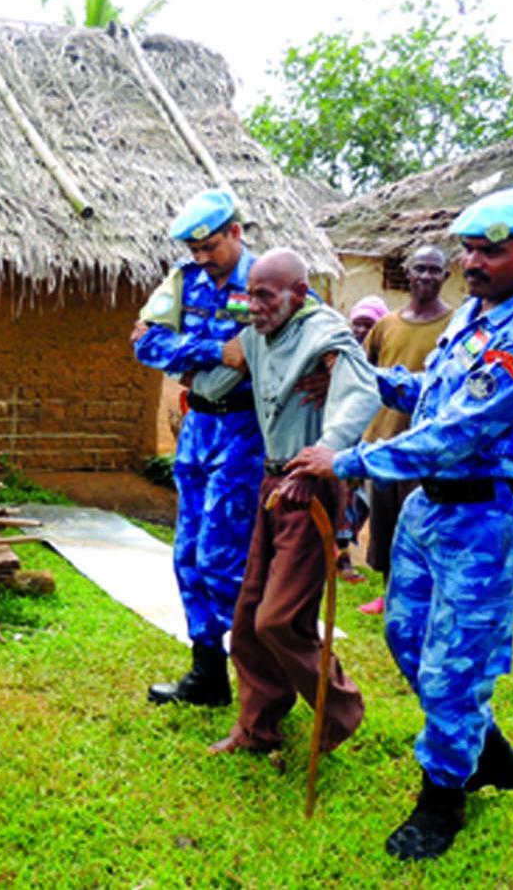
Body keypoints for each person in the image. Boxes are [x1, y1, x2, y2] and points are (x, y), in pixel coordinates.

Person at [293, 187, 513, 861]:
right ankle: (489, 748)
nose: (473, 263)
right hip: (431, 509)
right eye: (469, 250)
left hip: (488, 519)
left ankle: (442, 800)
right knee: (407, 636)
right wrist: (365, 379)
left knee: (454, 666)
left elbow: (458, 431)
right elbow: (437, 393)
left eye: (491, 252)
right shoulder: (478, 313)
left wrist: (348, 459)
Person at [187, 248, 380, 755]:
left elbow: (361, 391)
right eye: (250, 295)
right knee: (249, 617)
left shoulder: (324, 331)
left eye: (266, 296)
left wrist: (322, 455)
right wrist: (169, 355)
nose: (254, 306)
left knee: (278, 619)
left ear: (298, 293)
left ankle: (340, 712)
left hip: (309, 487)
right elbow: (214, 384)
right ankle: (257, 728)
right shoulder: (257, 335)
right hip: (272, 487)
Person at [131, 188, 264, 707]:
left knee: (222, 560)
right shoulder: (184, 282)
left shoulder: (268, 280)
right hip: (198, 430)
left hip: (246, 435)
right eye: (195, 250)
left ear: (235, 232)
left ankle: (261, 680)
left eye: (210, 247)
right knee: (187, 555)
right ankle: (207, 675)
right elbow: (145, 342)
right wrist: (215, 351)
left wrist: (195, 356)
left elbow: (304, 345)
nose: (202, 258)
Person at [356, 246, 455, 616]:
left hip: (427, 449)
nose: (426, 276)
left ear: (446, 276)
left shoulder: (455, 326)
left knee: (420, 528)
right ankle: (388, 596)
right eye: (420, 269)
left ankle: (419, 600)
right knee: (385, 524)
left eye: (434, 270)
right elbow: (365, 374)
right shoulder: (386, 325)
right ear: (407, 273)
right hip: (384, 441)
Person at [334, 296, 391, 585]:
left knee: (361, 503)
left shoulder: (386, 361)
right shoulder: (339, 355)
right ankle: (339, 555)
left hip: (373, 441)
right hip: (343, 440)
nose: (361, 332)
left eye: (369, 326)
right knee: (340, 499)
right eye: (357, 324)